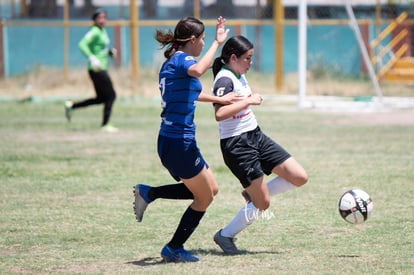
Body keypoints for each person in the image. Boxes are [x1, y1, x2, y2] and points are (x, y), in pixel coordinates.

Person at [132, 16, 236, 263]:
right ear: (192, 40)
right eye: (202, 39)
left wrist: (221, 100)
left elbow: (194, 91)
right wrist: (218, 44)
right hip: (178, 142)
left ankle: (149, 193)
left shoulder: (172, 62)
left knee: (211, 189)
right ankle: (174, 247)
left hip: (176, 140)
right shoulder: (182, 59)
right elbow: (198, 70)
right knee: (204, 197)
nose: (203, 43)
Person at [210, 35, 309, 255]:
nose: (251, 62)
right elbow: (220, 113)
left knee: (299, 176)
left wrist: (248, 99)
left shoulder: (238, 73)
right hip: (237, 146)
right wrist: (248, 100)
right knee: (263, 205)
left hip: (256, 136)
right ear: (233, 57)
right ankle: (225, 235)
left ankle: (252, 195)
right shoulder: (224, 80)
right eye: (248, 58)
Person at [64, 8, 118, 132]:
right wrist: (91, 57)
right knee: (111, 96)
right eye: (100, 18)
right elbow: (82, 44)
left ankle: (72, 106)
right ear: (94, 20)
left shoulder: (102, 31)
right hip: (97, 69)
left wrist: (109, 52)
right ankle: (105, 125)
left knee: (101, 98)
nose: (102, 20)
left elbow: (99, 49)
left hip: (101, 68)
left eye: (104, 17)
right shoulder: (94, 31)